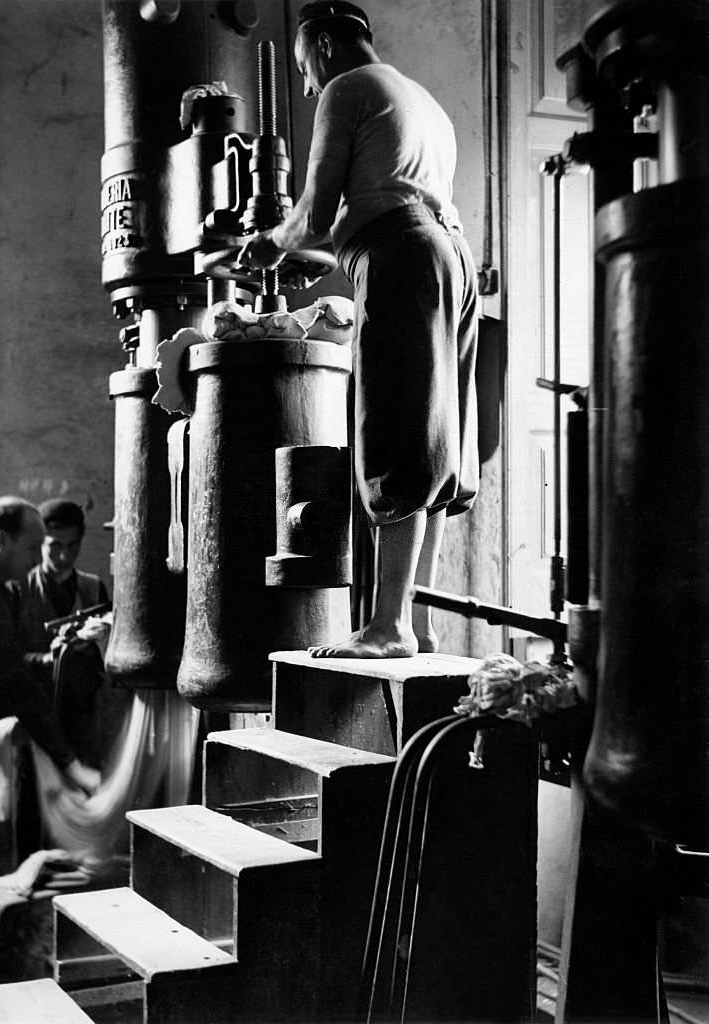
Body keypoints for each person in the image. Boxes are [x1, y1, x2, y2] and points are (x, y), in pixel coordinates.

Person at [238, 0, 479, 658]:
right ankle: (417, 624)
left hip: (402, 260)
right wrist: (303, 251)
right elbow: (369, 217)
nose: (310, 85)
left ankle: (388, 626)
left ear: (321, 45)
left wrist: (265, 242)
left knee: (397, 439)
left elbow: (314, 219)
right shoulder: (420, 100)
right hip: (448, 260)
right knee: (433, 444)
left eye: (304, 69)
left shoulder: (347, 87)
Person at [0, 496, 100, 795]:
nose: (38, 560)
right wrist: (70, 764)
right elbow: (15, 681)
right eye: (31, 547)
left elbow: (5, 662)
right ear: (1, 540)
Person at [17, 499, 109, 767]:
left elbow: (109, 662)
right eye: (55, 546)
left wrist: (97, 641)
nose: (64, 555)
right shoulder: (18, 589)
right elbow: (4, 659)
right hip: (34, 718)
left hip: (83, 719)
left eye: (73, 545)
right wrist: (48, 658)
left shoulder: (93, 589)